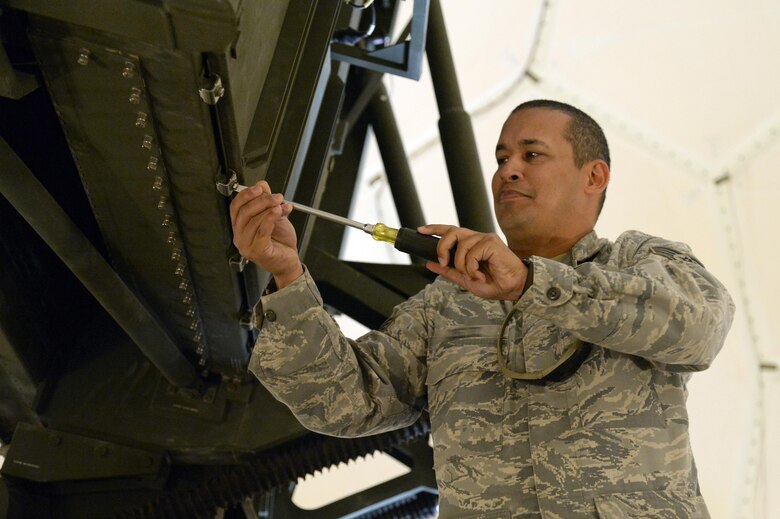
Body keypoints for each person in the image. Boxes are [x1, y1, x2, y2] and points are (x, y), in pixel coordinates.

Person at [230, 100, 735, 518]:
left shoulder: (639, 261)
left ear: (594, 175)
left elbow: (700, 327)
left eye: (532, 154)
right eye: (500, 158)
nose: (508, 171)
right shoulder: (446, 304)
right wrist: (287, 276)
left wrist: (531, 283)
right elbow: (343, 401)